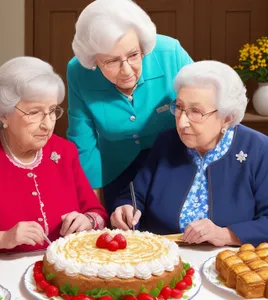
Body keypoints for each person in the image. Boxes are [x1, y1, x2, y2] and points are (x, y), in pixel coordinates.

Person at [111, 60, 268, 247]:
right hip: (162, 257)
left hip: (231, 262)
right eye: (179, 107)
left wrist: (226, 234)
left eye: (196, 112)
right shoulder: (166, 142)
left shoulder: (258, 148)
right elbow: (134, 195)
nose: (182, 122)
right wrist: (125, 208)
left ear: (227, 118)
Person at [0, 57, 107, 258]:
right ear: (3, 114)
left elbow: (96, 212)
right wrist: (4, 238)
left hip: (62, 270)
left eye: (52, 111)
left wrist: (88, 221)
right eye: (34, 113)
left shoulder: (65, 151)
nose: (48, 124)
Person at [67, 0, 193, 214]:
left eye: (134, 55)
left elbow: (205, 106)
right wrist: (94, 208)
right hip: (116, 169)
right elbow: (83, 141)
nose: (126, 70)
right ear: (94, 60)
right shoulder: (79, 72)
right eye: (112, 61)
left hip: (175, 162)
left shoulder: (170, 53)